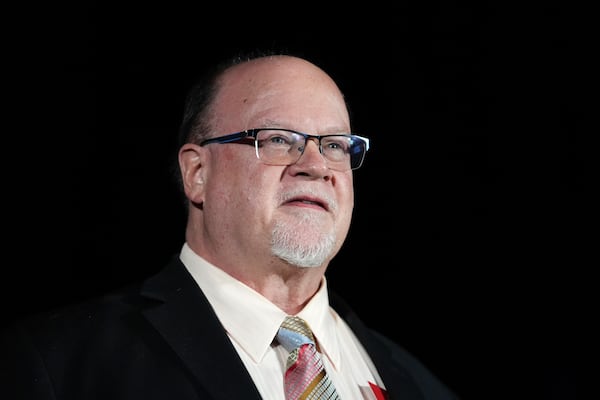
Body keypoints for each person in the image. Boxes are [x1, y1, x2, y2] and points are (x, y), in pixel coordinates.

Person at [0, 50, 459, 399]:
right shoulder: (59, 365)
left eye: (336, 146)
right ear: (197, 173)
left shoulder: (419, 384)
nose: (317, 166)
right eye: (279, 139)